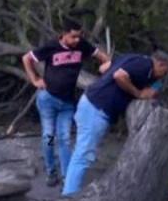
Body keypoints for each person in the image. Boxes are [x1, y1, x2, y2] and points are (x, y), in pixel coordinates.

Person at [62, 50, 168, 196]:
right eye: (164, 72)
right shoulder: (144, 66)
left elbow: (104, 68)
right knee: (84, 154)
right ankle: (69, 196)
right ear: (160, 64)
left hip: (90, 103)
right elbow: (119, 75)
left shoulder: (133, 58)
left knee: (81, 150)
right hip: (97, 109)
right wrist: (136, 93)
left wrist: (154, 86)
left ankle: (68, 182)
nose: (164, 76)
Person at [22, 18, 111, 186]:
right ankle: (51, 171)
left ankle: (66, 175)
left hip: (68, 103)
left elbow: (103, 57)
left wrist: (106, 68)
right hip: (48, 100)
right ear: (64, 34)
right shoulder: (51, 46)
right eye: (73, 37)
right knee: (48, 137)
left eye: (79, 36)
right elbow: (27, 59)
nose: (77, 40)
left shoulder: (82, 45)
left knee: (64, 138)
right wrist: (35, 80)